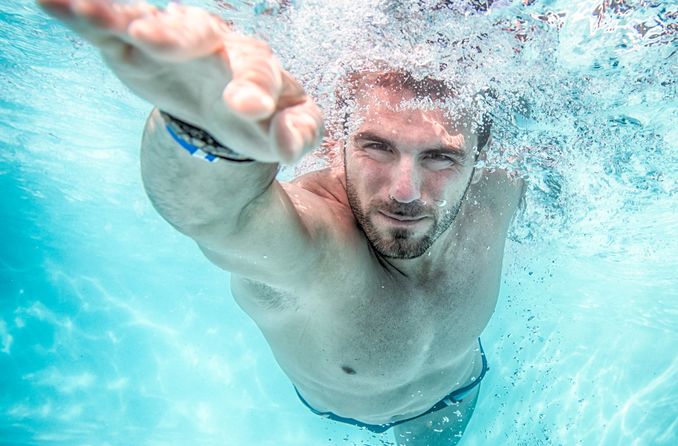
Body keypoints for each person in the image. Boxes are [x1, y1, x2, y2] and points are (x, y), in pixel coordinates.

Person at [38, 1, 524, 444]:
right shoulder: (318, 243)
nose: (405, 190)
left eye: (440, 157)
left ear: (479, 158)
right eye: (376, 147)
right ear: (338, 139)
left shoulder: (498, 189)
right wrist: (204, 127)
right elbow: (219, 216)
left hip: (459, 393)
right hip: (346, 411)